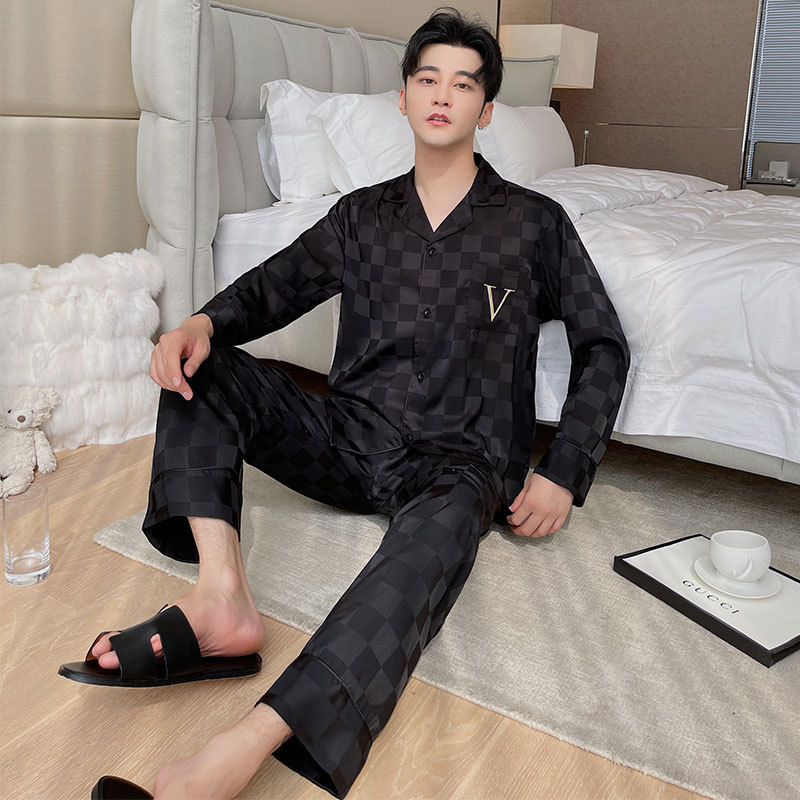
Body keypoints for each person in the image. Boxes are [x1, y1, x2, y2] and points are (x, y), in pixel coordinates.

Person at [65, 7, 630, 799]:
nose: (443, 95)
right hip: (350, 436)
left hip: (459, 463)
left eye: (464, 84)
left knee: (419, 558)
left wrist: (564, 468)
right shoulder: (360, 216)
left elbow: (604, 343)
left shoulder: (536, 225)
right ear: (403, 98)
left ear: (486, 110)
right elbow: (274, 287)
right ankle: (222, 599)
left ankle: (242, 748)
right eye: (427, 79)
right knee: (205, 366)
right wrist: (200, 322)